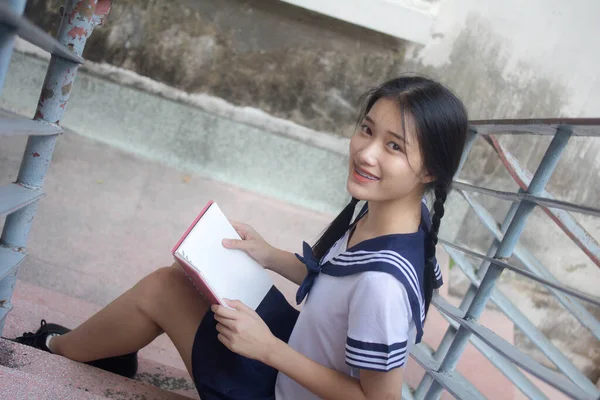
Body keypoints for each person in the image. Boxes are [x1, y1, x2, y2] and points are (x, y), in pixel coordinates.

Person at [13, 75, 468, 399]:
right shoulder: (404, 217)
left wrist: (267, 349)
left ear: (430, 170)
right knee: (186, 275)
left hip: (281, 383)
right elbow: (338, 280)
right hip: (298, 353)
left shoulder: (383, 287)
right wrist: (270, 256)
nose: (366, 152)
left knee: (162, 288)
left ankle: (53, 350)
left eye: (394, 146)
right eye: (367, 129)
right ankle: (98, 350)